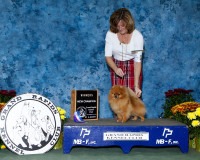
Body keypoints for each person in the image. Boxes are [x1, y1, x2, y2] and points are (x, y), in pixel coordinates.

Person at [105, 8, 144, 98]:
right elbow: (108, 57)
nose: (119, 28)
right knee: (117, 101)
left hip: (133, 65)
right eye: (117, 26)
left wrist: (136, 86)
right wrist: (116, 69)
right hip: (116, 64)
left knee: (133, 99)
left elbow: (137, 61)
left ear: (128, 23)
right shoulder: (110, 34)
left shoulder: (138, 36)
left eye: (122, 26)